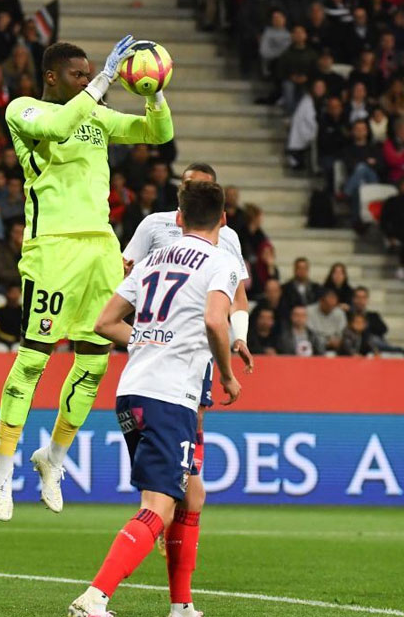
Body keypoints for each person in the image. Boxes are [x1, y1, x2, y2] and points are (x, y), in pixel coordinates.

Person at [0, 36, 173, 522]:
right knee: (33, 360)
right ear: (52, 76)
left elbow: (157, 133)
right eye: (79, 74)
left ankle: (53, 457)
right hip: (52, 247)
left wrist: (154, 91)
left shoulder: (95, 115)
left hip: (100, 250)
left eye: (91, 72)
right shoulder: (23, 110)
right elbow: (59, 122)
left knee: (94, 364)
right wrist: (106, 79)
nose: (89, 79)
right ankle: (2, 468)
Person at [69, 180, 242, 617]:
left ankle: (181, 605)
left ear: (179, 219)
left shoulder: (151, 260)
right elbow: (215, 322)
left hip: (132, 394)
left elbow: (105, 323)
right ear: (223, 219)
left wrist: (148, 339)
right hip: (171, 397)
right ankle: (96, 597)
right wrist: (226, 374)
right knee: (158, 506)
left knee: (189, 496)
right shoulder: (222, 261)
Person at [122, 162, 253, 556]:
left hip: (192, 353)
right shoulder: (153, 226)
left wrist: (240, 336)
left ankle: (174, 499)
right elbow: (126, 270)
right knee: (175, 438)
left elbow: (238, 297)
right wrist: (146, 335)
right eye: (189, 185)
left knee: (194, 421)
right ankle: (164, 505)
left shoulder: (228, 241)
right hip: (162, 356)